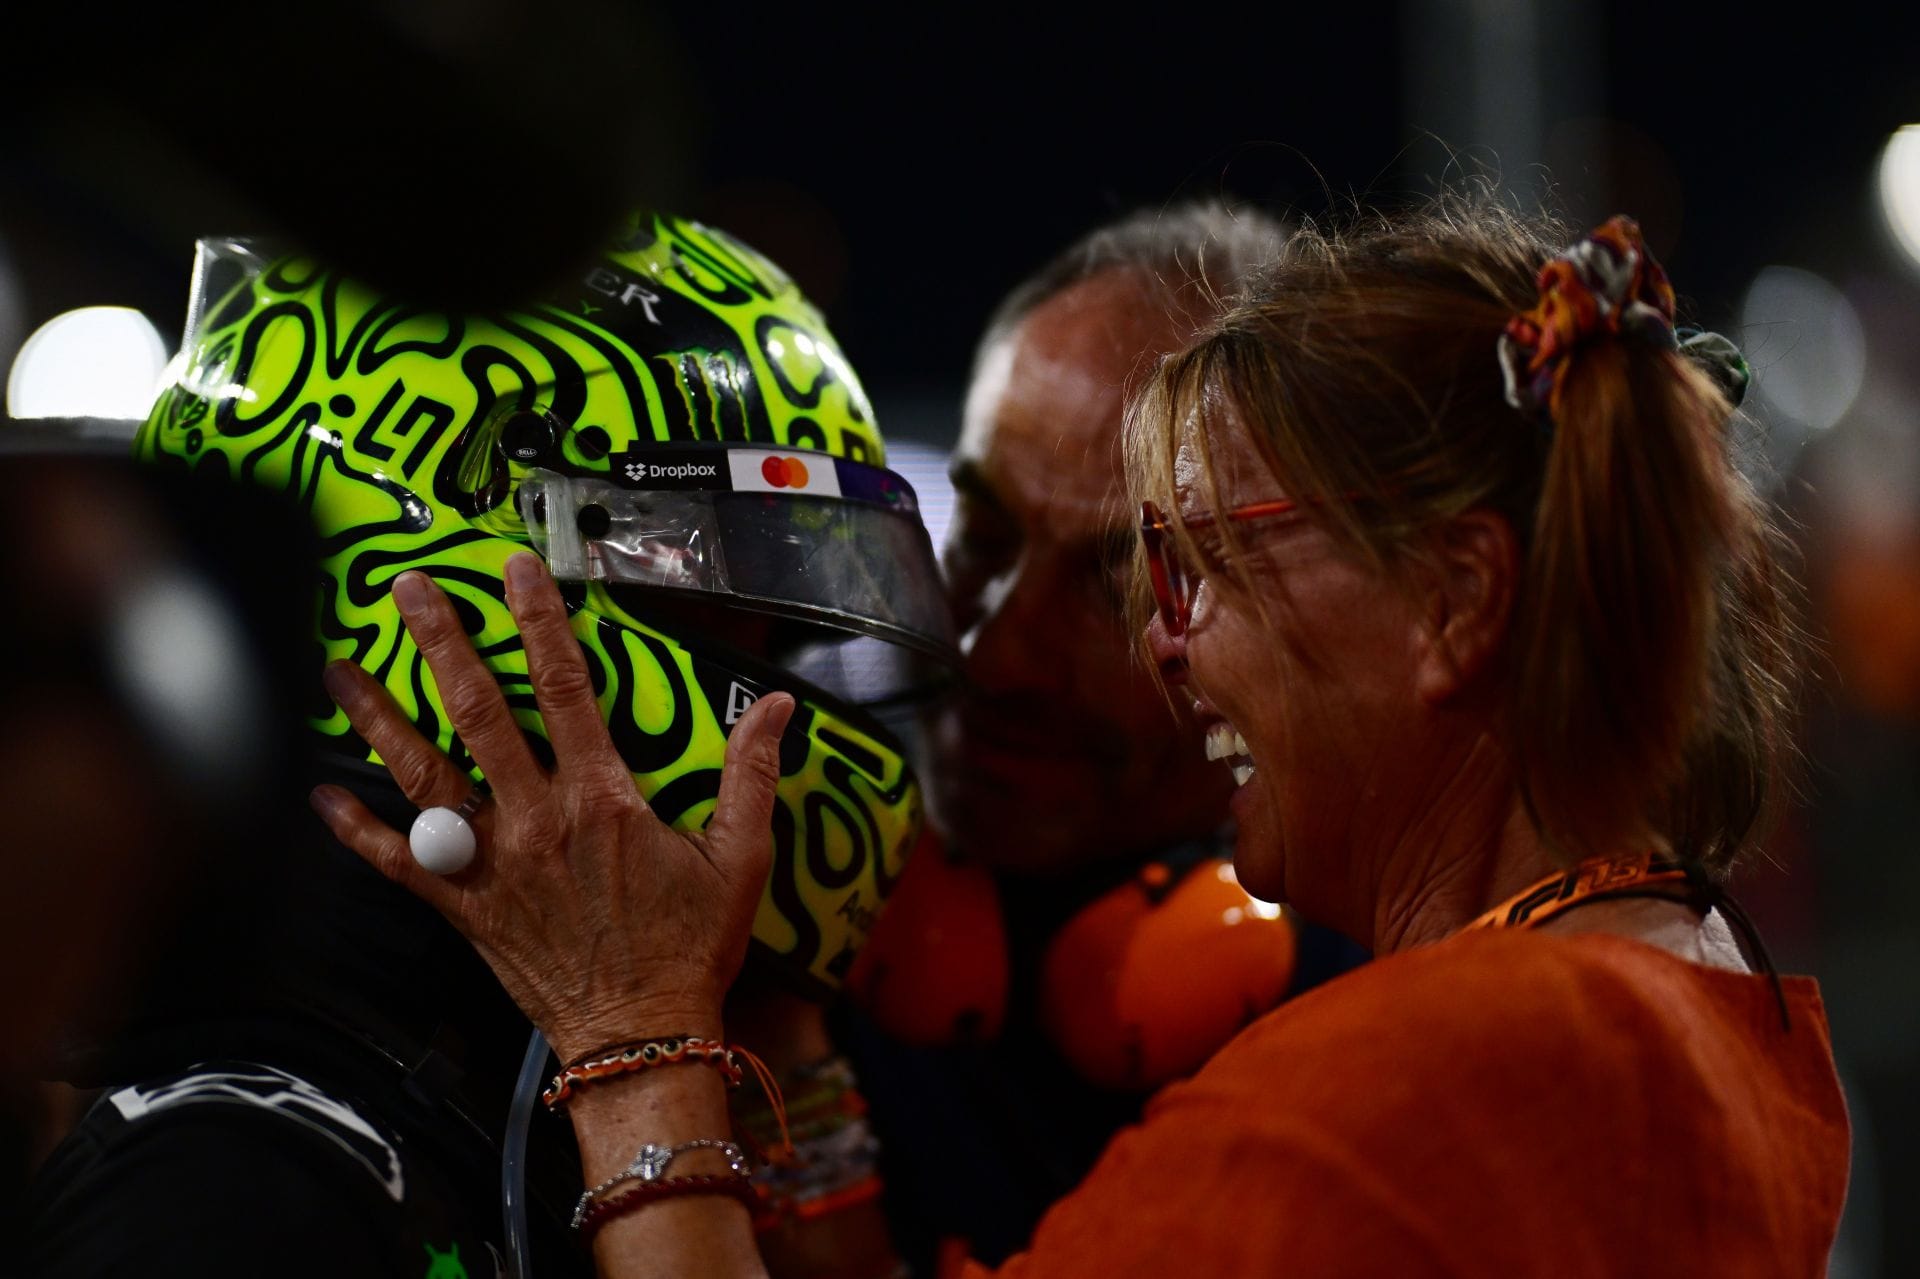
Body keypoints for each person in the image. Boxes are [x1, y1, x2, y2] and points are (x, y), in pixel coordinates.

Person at [315, 192, 1850, 1277]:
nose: (1167, 643)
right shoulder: (1704, 989)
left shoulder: (1404, 1083)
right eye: (979, 540)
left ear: (1457, 601)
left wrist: (635, 1042)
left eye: (1185, 568)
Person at [25, 212, 953, 1278]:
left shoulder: (431, 1097)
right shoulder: (234, 1196)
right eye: (718, 600)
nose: (777, 672)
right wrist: (639, 1047)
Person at [842, 202, 1367, 1270]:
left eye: (1118, 581)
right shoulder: (767, 907)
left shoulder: (1366, 1054)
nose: (998, 654)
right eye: (984, 533)